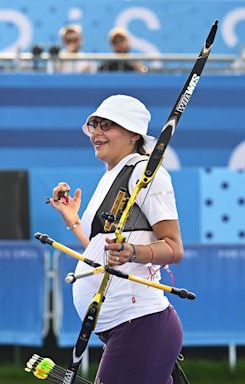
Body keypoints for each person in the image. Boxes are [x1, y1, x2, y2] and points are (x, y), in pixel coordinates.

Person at [49, 95, 183, 383]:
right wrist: (73, 221)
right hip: (124, 326)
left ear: (134, 133)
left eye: (106, 125)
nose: (96, 133)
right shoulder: (111, 175)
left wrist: (133, 251)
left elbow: (173, 247)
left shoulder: (146, 174)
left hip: (140, 323)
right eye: (93, 125)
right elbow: (106, 255)